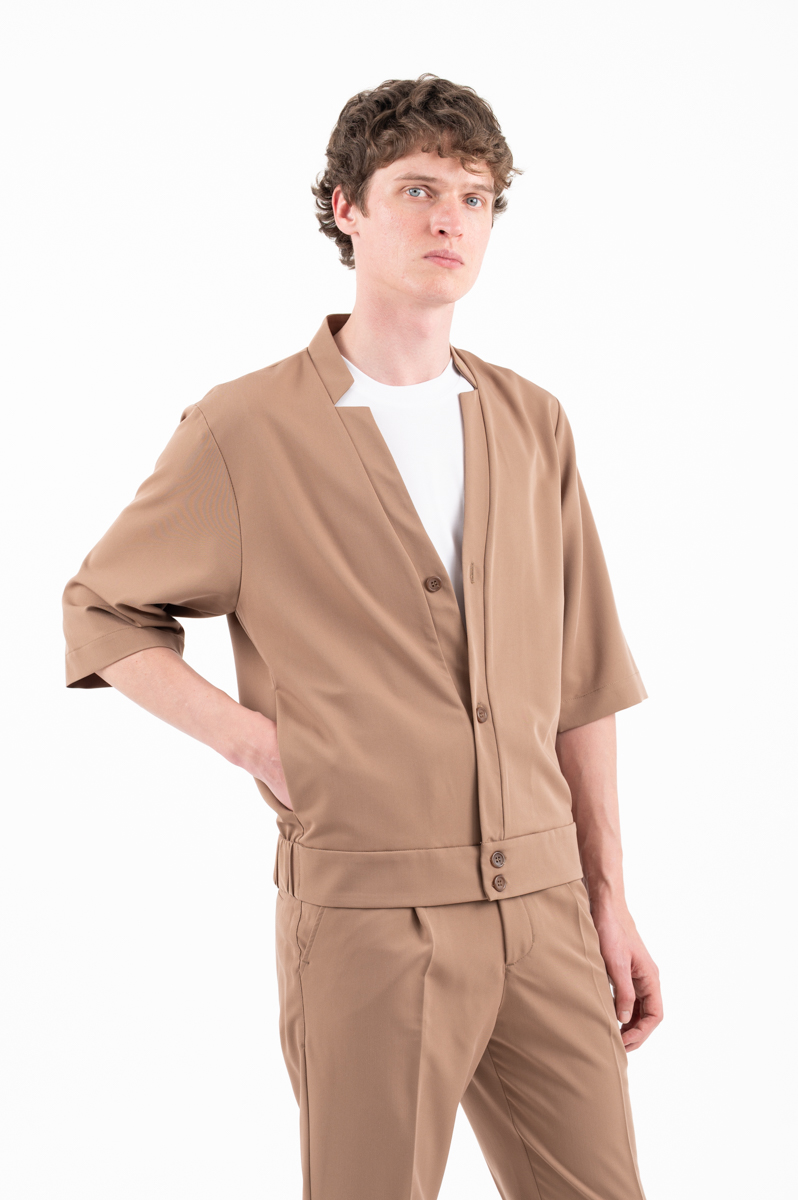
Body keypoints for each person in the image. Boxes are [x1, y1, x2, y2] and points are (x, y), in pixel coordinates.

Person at [62, 73, 662, 1199]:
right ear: (346, 207)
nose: (450, 221)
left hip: (544, 909)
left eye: (475, 198)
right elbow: (101, 607)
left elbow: (582, 677)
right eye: (419, 190)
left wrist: (607, 894)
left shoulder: (532, 421)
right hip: (370, 917)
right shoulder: (247, 429)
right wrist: (260, 746)